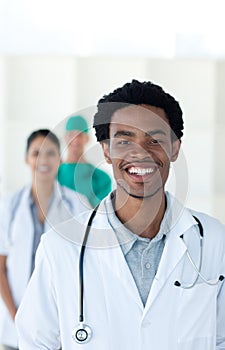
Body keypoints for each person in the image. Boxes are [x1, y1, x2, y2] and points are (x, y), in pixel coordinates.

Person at [15, 81, 225, 350]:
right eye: (124, 141)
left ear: (174, 148)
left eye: (155, 140)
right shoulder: (60, 247)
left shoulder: (214, 241)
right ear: (106, 150)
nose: (140, 153)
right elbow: (36, 343)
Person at [0, 129, 90, 350]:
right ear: (26, 159)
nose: (43, 159)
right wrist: (16, 315)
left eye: (50, 153)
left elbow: (85, 265)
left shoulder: (78, 205)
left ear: (59, 159)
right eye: (36, 153)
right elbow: (1, 267)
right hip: (13, 326)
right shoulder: (8, 206)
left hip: (61, 324)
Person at [57, 115, 112, 207]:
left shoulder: (102, 178)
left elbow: (97, 216)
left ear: (87, 139)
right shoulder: (54, 175)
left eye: (80, 135)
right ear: (65, 138)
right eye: (71, 134)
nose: (75, 140)